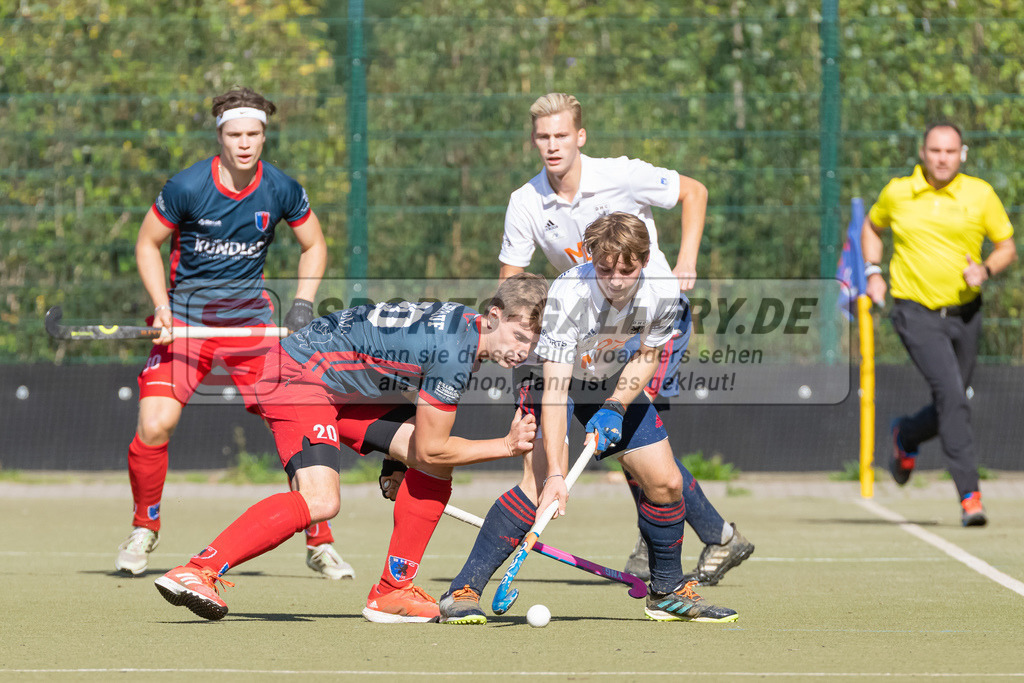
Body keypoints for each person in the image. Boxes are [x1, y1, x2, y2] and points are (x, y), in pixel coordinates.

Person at [153, 273, 549, 622]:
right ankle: (197, 570)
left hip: (344, 386)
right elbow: (431, 447)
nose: (522, 351)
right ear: (493, 315)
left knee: (433, 467)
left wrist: (395, 458)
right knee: (322, 500)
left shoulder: (461, 325)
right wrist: (506, 445)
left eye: (530, 343)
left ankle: (393, 591)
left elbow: (395, 370)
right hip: (298, 375)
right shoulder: (456, 352)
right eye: (518, 336)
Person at [497, 92, 752, 583]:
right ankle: (716, 536)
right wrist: (519, 329)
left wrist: (686, 261)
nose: (553, 146)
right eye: (543, 137)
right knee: (621, 438)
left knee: (632, 433)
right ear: (534, 141)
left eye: (561, 136)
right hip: (594, 329)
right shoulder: (526, 201)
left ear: (580, 136)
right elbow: (513, 279)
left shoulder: (620, 174)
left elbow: (693, 192)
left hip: (654, 320)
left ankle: (690, 538)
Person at [439, 213, 738, 624]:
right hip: (548, 375)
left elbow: (648, 354)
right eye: (604, 268)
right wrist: (558, 476)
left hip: (608, 374)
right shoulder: (570, 295)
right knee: (537, 485)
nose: (615, 280)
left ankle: (667, 592)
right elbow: (557, 391)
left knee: (666, 482)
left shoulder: (664, 292)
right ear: (591, 259)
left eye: (626, 270)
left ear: (646, 260)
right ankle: (463, 590)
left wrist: (615, 404)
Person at [113, 87, 354, 581]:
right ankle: (145, 525)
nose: (245, 143)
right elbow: (147, 244)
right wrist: (161, 309)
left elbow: (314, 245)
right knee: (155, 423)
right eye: (234, 134)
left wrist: (304, 304)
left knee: (295, 419)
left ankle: (319, 539)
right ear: (220, 136)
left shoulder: (282, 188)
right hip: (187, 323)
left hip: (252, 325)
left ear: (264, 134)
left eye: (253, 134)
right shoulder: (187, 186)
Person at [862, 121, 1016, 527]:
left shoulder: (980, 194)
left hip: (965, 313)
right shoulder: (898, 192)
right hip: (914, 311)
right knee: (952, 394)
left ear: (961, 154)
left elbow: (1006, 248)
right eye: (935, 150)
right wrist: (873, 271)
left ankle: (907, 435)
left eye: (950, 151)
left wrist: (985, 269)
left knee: (955, 398)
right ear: (922, 152)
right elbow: (872, 227)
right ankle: (970, 496)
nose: (942, 158)